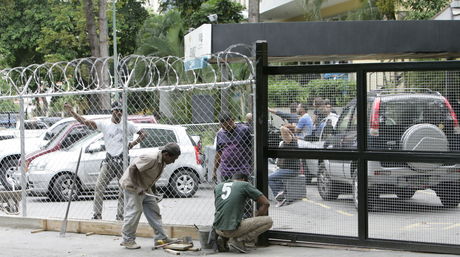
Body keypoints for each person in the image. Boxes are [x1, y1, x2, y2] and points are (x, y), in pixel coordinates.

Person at [64, 101, 146, 220]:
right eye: (116, 110)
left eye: (120, 110)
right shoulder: (105, 124)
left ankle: (120, 216)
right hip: (109, 161)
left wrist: (133, 144)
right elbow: (85, 122)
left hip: (122, 162)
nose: (118, 112)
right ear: (112, 111)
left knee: (123, 189)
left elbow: (144, 134)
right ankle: (97, 215)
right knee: (99, 187)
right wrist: (72, 112)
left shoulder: (128, 124)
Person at [119, 142, 181, 249]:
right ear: (166, 154)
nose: (174, 161)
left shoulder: (162, 161)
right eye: (173, 159)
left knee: (154, 210)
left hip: (144, 187)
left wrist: (154, 193)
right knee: (135, 212)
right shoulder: (151, 158)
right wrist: (137, 187)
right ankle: (127, 240)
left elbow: (151, 177)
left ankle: (161, 238)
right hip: (132, 186)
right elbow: (132, 168)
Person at [213, 173, 273, 253]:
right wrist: (257, 217)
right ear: (244, 180)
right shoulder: (244, 185)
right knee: (268, 221)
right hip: (232, 230)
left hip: (217, 228)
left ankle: (223, 238)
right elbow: (266, 203)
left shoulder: (218, 186)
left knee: (232, 217)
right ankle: (238, 240)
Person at [212, 112, 252, 182]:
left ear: (232, 120)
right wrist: (214, 171)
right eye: (222, 127)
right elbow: (218, 154)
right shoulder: (220, 134)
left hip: (241, 170)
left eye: (227, 126)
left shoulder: (244, 130)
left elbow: (251, 149)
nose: (225, 129)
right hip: (226, 171)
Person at [268, 126, 301, 207]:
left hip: (291, 170)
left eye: (283, 134)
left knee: (269, 178)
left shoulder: (290, 141)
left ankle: (280, 197)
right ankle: (281, 191)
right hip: (284, 169)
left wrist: (287, 130)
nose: (281, 135)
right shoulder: (288, 141)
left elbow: (282, 128)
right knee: (274, 175)